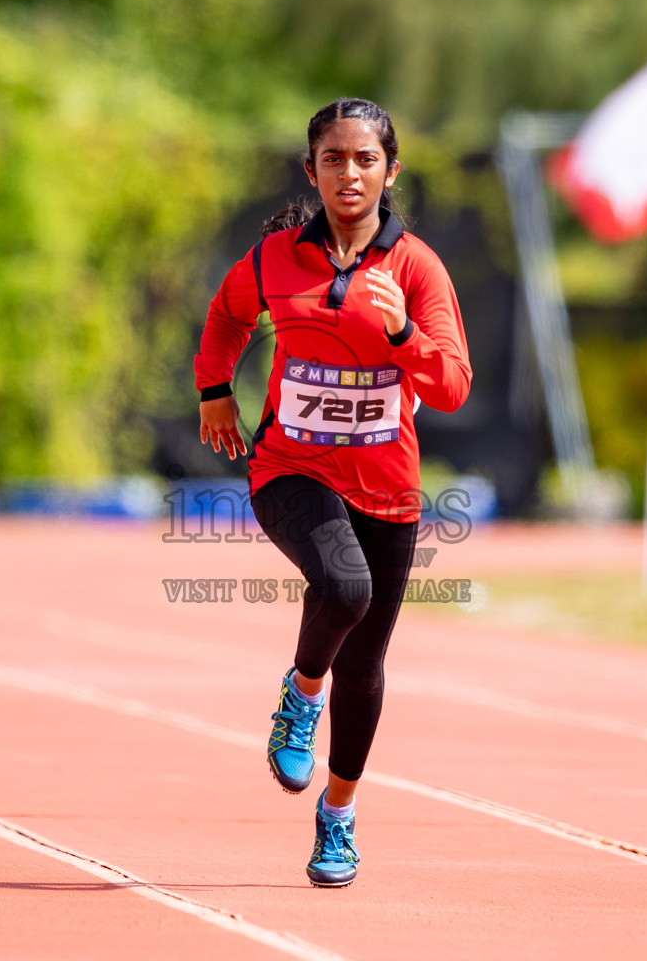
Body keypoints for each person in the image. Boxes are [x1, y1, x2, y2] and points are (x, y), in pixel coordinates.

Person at [194, 98, 471, 887]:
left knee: (368, 666)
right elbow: (224, 317)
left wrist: (400, 337)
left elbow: (452, 385)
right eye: (333, 159)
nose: (349, 174)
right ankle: (299, 692)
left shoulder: (415, 269)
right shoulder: (275, 258)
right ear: (310, 170)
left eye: (364, 160)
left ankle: (339, 817)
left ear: (390, 171)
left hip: (387, 488)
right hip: (290, 467)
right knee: (342, 586)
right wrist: (216, 390)